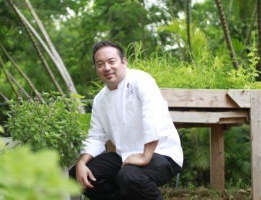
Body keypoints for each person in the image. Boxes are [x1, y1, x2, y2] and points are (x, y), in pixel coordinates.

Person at [69, 41, 183, 200]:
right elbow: (96, 136)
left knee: (129, 176)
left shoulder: (141, 80)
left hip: (162, 153)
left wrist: (145, 156)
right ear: (96, 68)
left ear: (124, 61)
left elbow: (153, 116)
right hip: (125, 157)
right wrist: (81, 163)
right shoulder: (100, 99)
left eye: (111, 61)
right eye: (100, 64)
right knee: (77, 175)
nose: (106, 68)